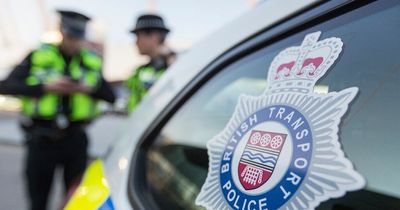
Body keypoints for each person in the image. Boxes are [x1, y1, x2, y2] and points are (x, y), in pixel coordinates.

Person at [0, 10, 115, 210]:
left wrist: (89, 89)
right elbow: (6, 85)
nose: (74, 42)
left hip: (75, 140)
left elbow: (111, 96)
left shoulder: (91, 61)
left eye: (78, 37)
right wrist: (45, 87)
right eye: (71, 36)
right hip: (42, 139)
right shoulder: (38, 55)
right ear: (61, 30)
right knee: (38, 199)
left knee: (74, 199)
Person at [125, 14, 176, 113]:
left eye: (138, 36)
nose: (136, 42)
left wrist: (170, 58)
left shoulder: (175, 65)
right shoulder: (140, 70)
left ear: (154, 36)